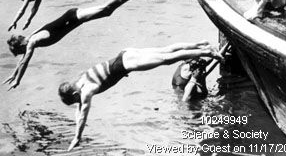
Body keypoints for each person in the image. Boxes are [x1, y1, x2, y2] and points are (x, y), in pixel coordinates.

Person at [58, 41, 223, 151]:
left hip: (126, 64)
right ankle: (201, 44)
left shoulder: (85, 92)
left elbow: (83, 114)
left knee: (166, 58)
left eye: (74, 100)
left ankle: (207, 52)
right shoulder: (80, 82)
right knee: (166, 50)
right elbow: (79, 110)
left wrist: (77, 138)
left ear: (74, 94)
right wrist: (75, 132)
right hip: (124, 54)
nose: (78, 103)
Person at [3, 0, 154, 89]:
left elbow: (25, 61)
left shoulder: (33, 41)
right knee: (106, 11)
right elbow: (22, 60)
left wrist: (17, 79)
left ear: (21, 45)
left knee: (106, 9)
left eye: (20, 51)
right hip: (73, 17)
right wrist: (14, 73)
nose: (23, 53)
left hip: (73, 17)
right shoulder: (31, 38)